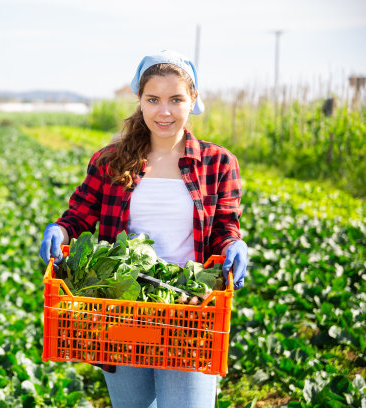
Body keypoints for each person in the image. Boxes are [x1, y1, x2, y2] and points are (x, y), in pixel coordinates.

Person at [39, 50, 248, 408]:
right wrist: (60, 230)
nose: (164, 112)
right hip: (122, 310)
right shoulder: (110, 161)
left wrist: (233, 244)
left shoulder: (218, 162)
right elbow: (79, 217)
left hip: (188, 307)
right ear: (140, 100)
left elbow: (225, 226)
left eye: (176, 99)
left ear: (193, 100)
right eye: (153, 99)